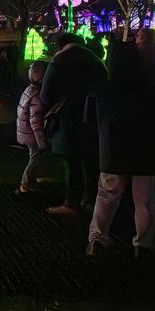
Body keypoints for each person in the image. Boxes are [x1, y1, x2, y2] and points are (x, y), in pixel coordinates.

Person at [87, 41, 155, 258]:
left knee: (106, 196)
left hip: (112, 151)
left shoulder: (102, 88)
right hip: (143, 151)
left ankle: (97, 239)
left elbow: (89, 120)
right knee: (144, 200)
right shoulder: (147, 88)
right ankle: (143, 243)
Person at [40, 33, 108, 216]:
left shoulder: (59, 62)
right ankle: (91, 200)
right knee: (91, 162)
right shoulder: (95, 61)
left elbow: (45, 95)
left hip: (67, 118)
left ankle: (71, 203)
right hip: (93, 117)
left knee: (71, 162)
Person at [16, 61, 48, 194]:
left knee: (33, 157)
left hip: (23, 131)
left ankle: (31, 182)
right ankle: (25, 185)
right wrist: (42, 142)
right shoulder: (38, 96)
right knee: (35, 159)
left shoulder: (29, 89)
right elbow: (35, 121)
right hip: (32, 135)